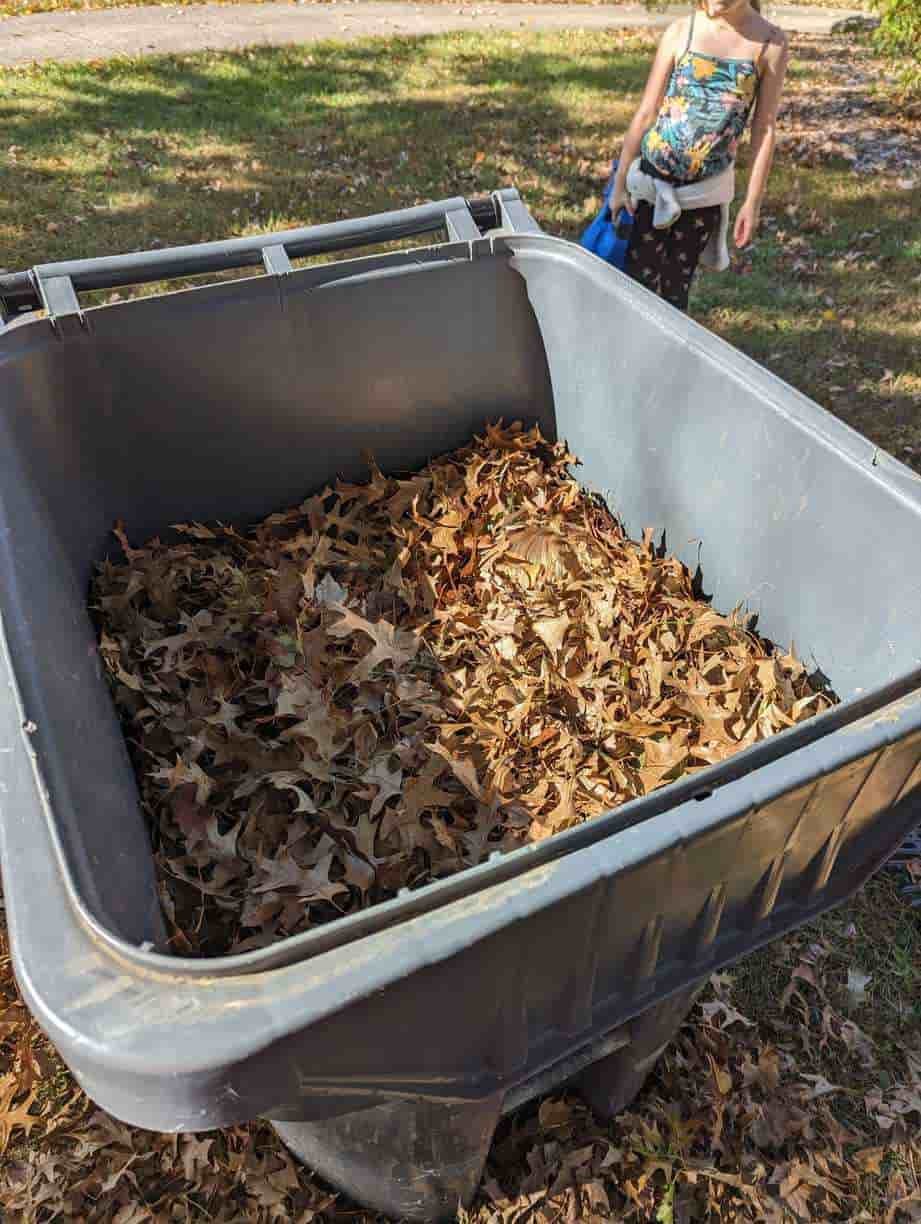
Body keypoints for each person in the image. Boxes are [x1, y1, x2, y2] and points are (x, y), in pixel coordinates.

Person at [609, 0, 789, 312]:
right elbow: (647, 111)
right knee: (638, 287)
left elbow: (765, 129)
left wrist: (752, 202)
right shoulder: (681, 31)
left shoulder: (770, 44)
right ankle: (632, 354)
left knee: (676, 291)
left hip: (702, 194)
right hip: (653, 184)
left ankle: (668, 358)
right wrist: (620, 183)